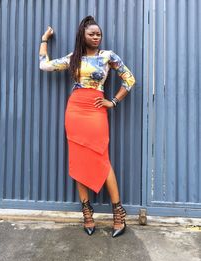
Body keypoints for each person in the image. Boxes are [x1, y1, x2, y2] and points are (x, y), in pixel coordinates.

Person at [39, 16, 135, 237]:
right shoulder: (74, 58)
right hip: (75, 111)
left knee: (102, 157)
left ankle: (118, 213)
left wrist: (114, 101)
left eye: (98, 34)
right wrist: (44, 39)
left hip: (96, 111)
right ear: (83, 35)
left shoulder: (108, 56)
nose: (96, 37)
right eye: (91, 34)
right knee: (78, 159)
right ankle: (87, 213)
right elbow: (44, 65)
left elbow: (129, 80)